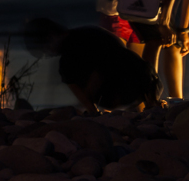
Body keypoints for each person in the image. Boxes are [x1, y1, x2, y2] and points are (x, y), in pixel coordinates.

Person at [24, 18, 162, 114]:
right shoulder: (90, 31)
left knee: (70, 74)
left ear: (51, 37)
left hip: (123, 90)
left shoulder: (69, 56)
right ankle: (151, 103)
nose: (49, 54)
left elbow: (101, 70)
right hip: (145, 79)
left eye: (46, 50)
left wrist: (91, 109)